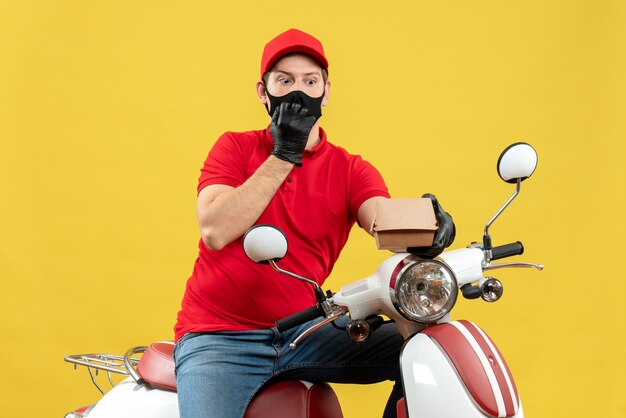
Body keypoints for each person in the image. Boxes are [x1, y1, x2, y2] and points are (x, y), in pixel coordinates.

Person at [173, 28, 455, 418]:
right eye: (285, 81)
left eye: (310, 81)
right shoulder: (234, 147)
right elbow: (215, 229)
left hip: (303, 332)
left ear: (326, 91)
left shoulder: (349, 168)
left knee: (434, 349)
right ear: (263, 91)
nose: (299, 92)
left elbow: (382, 219)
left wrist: (428, 226)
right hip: (219, 338)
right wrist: (284, 154)